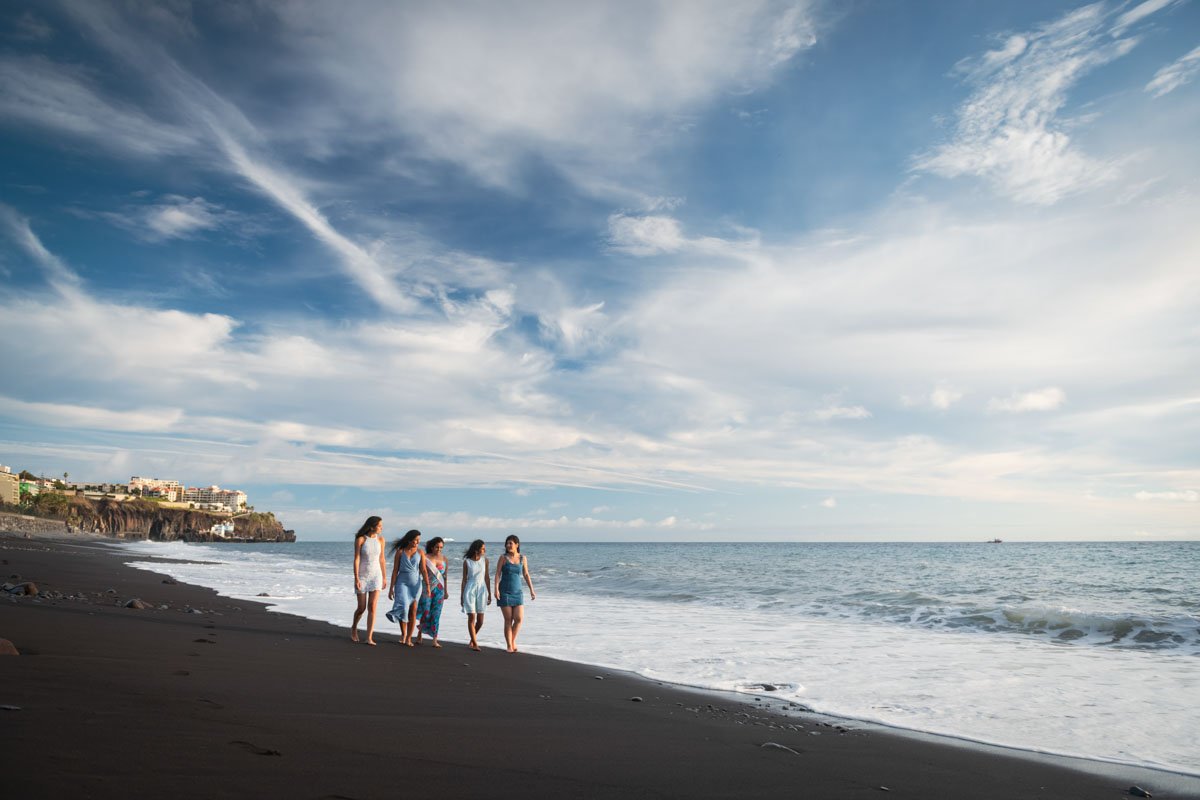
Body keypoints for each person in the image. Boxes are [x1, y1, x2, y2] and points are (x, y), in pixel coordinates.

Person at [494, 534, 536, 653]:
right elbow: (497, 574)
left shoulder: (523, 558)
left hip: (518, 592)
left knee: (518, 619)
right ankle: (509, 645)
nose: (508, 545)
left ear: (517, 544)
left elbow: (526, 575)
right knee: (508, 619)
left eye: (510, 543)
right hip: (504, 592)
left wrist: (532, 590)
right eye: (507, 543)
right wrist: (496, 589)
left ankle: (512, 640)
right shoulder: (503, 558)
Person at [385, 529, 427, 646]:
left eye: (419, 540)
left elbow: (423, 570)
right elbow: (395, 571)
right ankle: (403, 634)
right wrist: (391, 588)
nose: (417, 542)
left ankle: (409, 638)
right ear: (409, 539)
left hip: (416, 585)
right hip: (402, 583)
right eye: (415, 540)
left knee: (413, 611)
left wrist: (427, 586)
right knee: (403, 608)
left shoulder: (420, 552)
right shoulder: (400, 552)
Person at [351, 516, 387, 645]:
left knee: (372, 606)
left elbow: (382, 559)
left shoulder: (381, 540)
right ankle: (354, 627)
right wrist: (356, 577)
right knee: (361, 608)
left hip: (376, 576)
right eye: (379, 525)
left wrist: (384, 577)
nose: (381, 527)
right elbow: (357, 559)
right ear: (372, 526)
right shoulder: (361, 539)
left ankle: (369, 637)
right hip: (362, 576)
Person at [415, 537, 448, 648]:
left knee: (436, 614)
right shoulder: (425, 557)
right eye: (437, 547)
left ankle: (434, 639)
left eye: (441, 547)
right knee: (426, 612)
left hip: (440, 590)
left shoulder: (444, 559)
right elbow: (421, 572)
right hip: (427, 589)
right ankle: (420, 634)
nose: (439, 549)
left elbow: (445, 576)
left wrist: (446, 591)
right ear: (432, 546)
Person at [460, 539, 491, 651]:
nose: (485, 550)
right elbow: (464, 580)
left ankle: (472, 640)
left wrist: (490, 594)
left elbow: (487, 577)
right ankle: (475, 643)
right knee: (472, 617)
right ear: (477, 549)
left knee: (481, 620)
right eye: (483, 548)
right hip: (470, 589)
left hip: (482, 590)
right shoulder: (467, 562)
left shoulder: (485, 561)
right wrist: (461, 596)